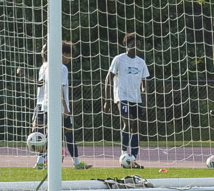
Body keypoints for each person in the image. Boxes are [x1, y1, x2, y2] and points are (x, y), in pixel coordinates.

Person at [28, 41, 90, 170]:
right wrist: (66, 108)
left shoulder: (45, 66)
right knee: (68, 133)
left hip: (45, 105)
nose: (70, 58)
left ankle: (40, 161)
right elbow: (59, 88)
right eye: (69, 55)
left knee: (44, 134)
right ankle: (76, 162)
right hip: (58, 106)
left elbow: (42, 84)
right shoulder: (62, 68)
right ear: (63, 54)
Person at [104, 32, 150, 168]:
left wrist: (145, 100)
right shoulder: (119, 59)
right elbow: (108, 78)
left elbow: (145, 83)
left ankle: (133, 157)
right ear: (126, 45)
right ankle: (124, 153)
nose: (135, 47)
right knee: (127, 121)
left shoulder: (141, 62)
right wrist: (107, 100)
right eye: (133, 44)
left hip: (136, 99)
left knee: (135, 126)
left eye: (138, 45)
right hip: (122, 96)